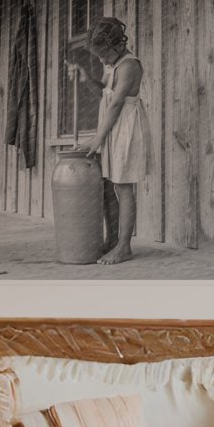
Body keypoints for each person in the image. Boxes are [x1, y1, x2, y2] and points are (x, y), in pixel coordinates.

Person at [68, 17, 148, 264]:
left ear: (116, 45)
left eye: (103, 54)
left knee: (123, 187)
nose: (101, 60)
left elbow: (115, 105)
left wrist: (96, 140)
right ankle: (112, 239)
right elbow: (104, 91)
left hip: (126, 129)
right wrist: (84, 77)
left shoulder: (129, 66)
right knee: (108, 187)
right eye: (98, 56)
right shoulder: (111, 64)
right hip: (111, 128)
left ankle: (124, 247)